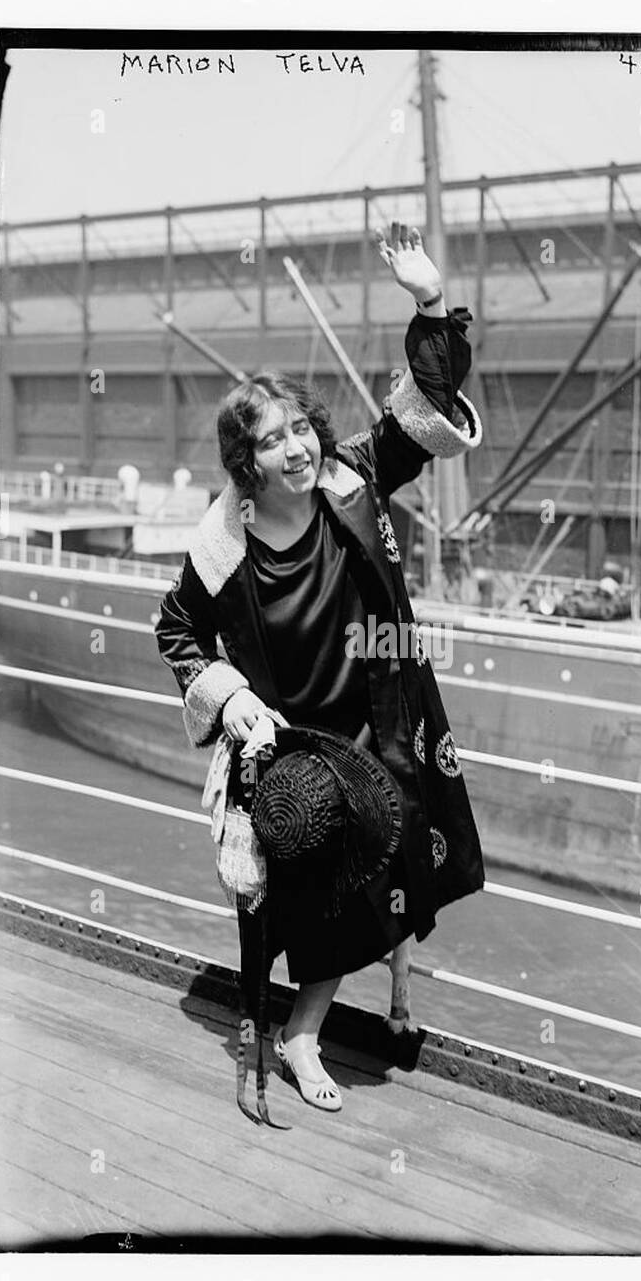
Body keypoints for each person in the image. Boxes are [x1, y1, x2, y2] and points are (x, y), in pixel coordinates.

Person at [155, 223, 486, 1112]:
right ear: (245, 462)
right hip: (299, 747)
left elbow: (422, 414)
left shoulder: (351, 481)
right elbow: (177, 631)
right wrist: (230, 703)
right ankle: (297, 1033)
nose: (297, 449)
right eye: (274, 441)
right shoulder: (221, 548)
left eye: (302, 428)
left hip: (382, 717)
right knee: (306, 900)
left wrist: (426, 301)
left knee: (388, 875)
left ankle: (319, 1031)